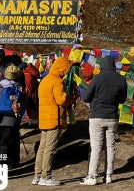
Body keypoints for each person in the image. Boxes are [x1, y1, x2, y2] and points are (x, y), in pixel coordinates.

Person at [80, 56, 128, 185]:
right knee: (110, 147)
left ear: (102, 65)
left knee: (96, 147)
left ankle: (92, 176)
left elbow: (85, 97)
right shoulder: (121, 79)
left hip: (97, 116)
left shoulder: (97, 78)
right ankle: (108, 176)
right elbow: (122, 100)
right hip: (112, 117)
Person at [33, 56, 78, 186]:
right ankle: (46, 176)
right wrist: (72, 97)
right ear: (63, 67)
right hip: (54, 118)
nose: (67, 71)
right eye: (67, 68)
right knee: (50, 149)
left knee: (42, 148)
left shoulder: (45, 80)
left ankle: (37, 175)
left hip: (44, 118)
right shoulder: (57, 81)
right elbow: (61, 100)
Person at [0, 65, 24, 166]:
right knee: (6, 143)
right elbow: (20, 105)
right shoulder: (18, 87)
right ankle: (6, 164)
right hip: (11, 120)